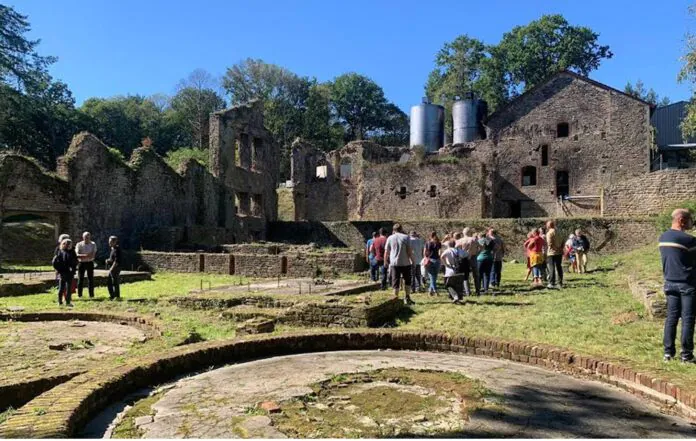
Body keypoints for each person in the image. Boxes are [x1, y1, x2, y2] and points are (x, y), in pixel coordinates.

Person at [660, 209, 696, 363]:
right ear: (682, 220)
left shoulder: (663, 237)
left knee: (671, 318)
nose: (691, 223)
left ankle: (668, 353)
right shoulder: (689, 240)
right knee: (688, 319)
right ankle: (686, 355)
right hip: (687, 283)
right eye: (690, 220)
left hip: (669, 282)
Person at [384, 223, 414, 305]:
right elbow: (409, 251)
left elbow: (386, 251)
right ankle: (407, 297)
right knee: (407, 281)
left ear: (393, 230)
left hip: (394, 263)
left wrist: (385, 261)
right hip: (405, 262)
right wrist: (413, 261)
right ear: (401, 229)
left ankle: (395, 300)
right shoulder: (406, 237)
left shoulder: (390, 238)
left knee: (395, 282)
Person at [52, 238, 77, 307]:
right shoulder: (67, 252)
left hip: (65, 272)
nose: (69, 246)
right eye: (68, 244)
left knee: (64, 288)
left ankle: (62, 302)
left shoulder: (62, 251)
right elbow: (55, 262)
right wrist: (59, 269)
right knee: (65, 288)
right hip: (66, 272)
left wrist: (58, 269)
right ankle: (65, 302)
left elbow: (54, 262)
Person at [459, 228, 482, 295]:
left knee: (465, 275)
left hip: (464, 258)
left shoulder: (461, 240)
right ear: (470, 232)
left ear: (463, 233)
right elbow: (481, 247)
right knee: (476, 275)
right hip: (473, 257)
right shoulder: (474, 239)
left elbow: (456, 248)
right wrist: (477, 253)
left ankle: (467, 292)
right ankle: (477, 291)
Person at [75, 232, 97, 298]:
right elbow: (77, 255)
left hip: (90, 263)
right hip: (82, 263)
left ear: (90, 237)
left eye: (88, 237)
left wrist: (84, 256)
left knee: (91, 279)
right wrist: (86, 255)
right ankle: (79, 295)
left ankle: (91, 295)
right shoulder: (79, 244)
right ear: (83, 237)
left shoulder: (93, 244)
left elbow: (93, 255)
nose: (87, 238)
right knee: (80, 279)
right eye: (85, 237)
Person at [545, 220, 564, 289]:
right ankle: (560, 282)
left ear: (548, 226)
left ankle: (551, 283)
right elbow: (563, 241)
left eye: (547, 225)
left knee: (551, 267)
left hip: (551, 252)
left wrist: (556, 249)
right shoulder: (560, 232)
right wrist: (560, 248)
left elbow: (550, 243)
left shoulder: (549, 233)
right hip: (559, 252)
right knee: (559, 266)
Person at [106, 236, 122, 300]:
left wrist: (111, 268)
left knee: (115, 282)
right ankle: (112, 296)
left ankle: (117, 296)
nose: (109, 243)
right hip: (113, 267)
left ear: (114, 242)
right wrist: (108, 260)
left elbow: (116, 261)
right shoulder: (112, 249)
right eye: (109, 241)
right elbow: (112, 259)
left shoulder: (117, 249)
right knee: (109, 282)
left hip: (116, 268)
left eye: (110, 242)